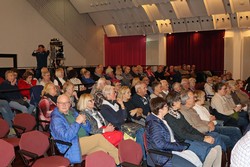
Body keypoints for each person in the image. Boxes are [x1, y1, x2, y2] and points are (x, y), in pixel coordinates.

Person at [50, 94, 120, 164]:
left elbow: (89, 129)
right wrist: (77, 122)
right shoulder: (56, 119)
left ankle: (115, 164)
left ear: (70, 104)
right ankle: (120, 162)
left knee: (102, 151)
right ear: (57, 104)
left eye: (66, 103)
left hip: (84, 141)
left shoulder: (73, 112)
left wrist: (84, 123)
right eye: (61, 103)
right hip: (71, 145)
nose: (64, 105)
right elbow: (66, 136)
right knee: (98, 137)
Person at [164, 92, 222, 166]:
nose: (181, 102)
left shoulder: (178, 113)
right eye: (178, 100)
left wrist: (203, 136)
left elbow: (190, 128)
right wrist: (202, 139)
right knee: (210, 151)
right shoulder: (169, 117)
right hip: (181, 142)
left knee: (216, 148)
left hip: (188, 138)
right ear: (173, 103)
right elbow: (182, 134)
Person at [146, 97, 201, 167]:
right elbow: (160, 144)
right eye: (166, 106)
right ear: (160, 110)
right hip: (162, 155)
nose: (168, 107)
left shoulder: (160, 119)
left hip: (169, 150)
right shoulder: (154, 124)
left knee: (194, 157)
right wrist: (178, 147)